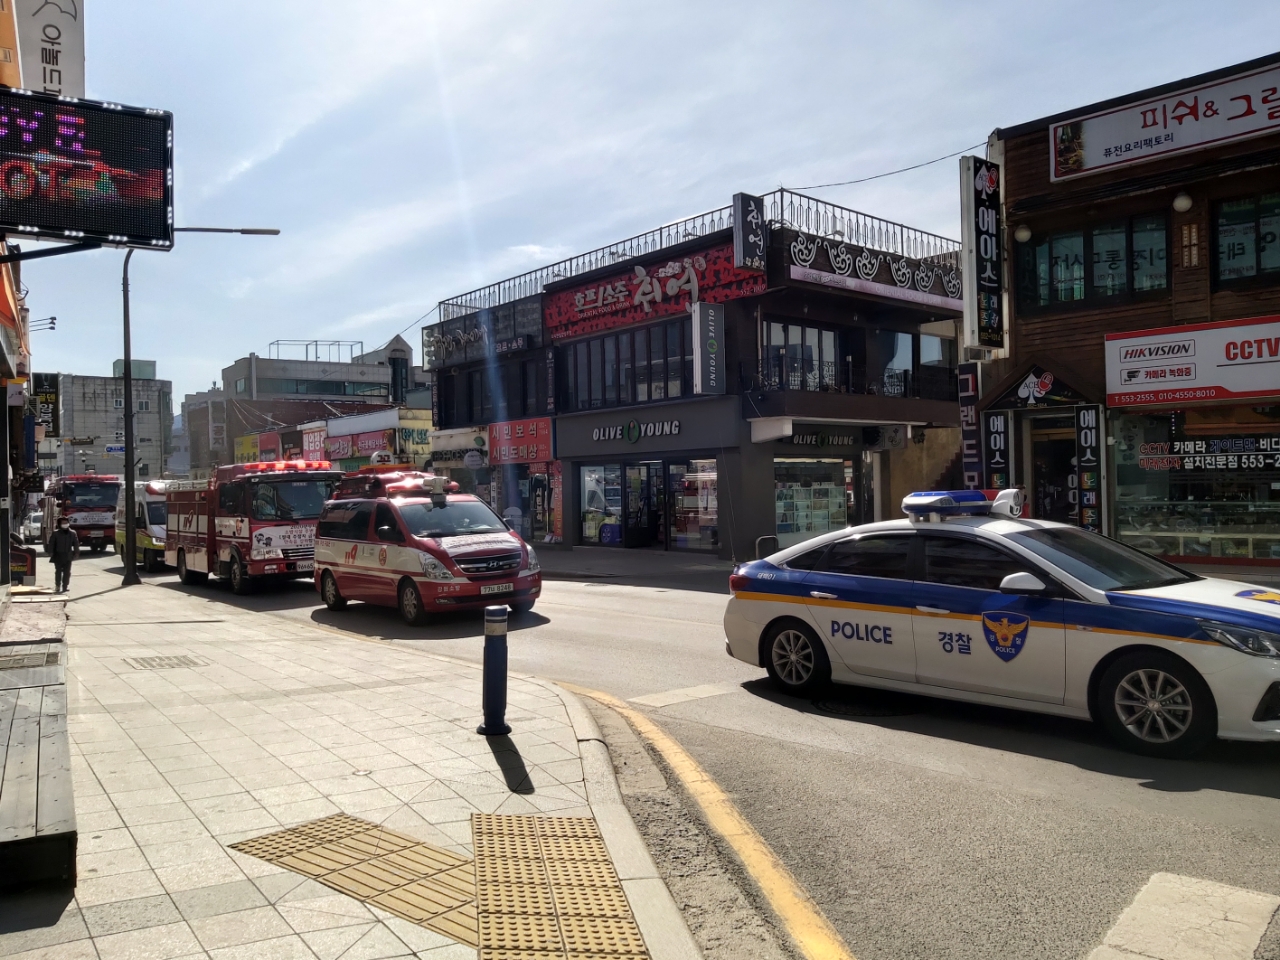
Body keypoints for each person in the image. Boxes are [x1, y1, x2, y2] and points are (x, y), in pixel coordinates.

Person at [48, 517, 78, 593]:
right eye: (63, 523)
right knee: (58, 571)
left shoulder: (72, 533)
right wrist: (50, 552)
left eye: (66, 523)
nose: (65, 524)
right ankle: (57, 585)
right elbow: (51, 544)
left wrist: (76, 553)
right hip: (58, 555)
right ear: (59, 524)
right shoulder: (55, 533)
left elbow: (76, 544)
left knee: (67, 572)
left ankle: (65, 586)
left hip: (68, 555)